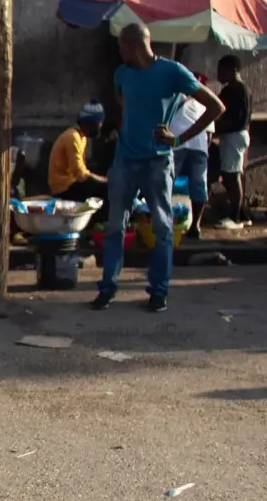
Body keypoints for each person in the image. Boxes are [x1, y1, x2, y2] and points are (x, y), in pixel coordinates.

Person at [92, 23, 223, 313]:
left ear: (131, 45)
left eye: (121, 47)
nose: (119, 52)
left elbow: (215, 107)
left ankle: (158, 291)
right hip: (125, 160)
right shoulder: (122, 74)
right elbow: (126, 106)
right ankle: (107, 288)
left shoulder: (173, 72)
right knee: (115, 226)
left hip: (158, 160)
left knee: (163, 228)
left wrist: (178, 138)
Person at [170, 73, 215, 238]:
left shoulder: (175, 98)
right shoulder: (207, 103)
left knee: (169, 184)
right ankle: (195, 224)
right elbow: (209, 135)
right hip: (198, 148)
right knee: (198, 187)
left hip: (178, 146)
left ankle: (177, 223)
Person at [215, 55, 253, 229]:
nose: (219, 75)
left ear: (233, 70)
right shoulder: (235, 89)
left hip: (234, 136)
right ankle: (241, 214)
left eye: (221, 71)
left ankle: (235, 217)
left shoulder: (237, 90)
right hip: (234, 136)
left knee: (232, 176)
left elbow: (236, 119)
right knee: (231, 175)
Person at [48, 100, 107, 201]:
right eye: (99, 123)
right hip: (63, 189)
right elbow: (80, 173)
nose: (101, 126)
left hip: (71, 184)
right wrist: (104, 181)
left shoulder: (82, 137)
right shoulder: (73, 137)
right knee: (106, 189)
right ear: (90, 123)